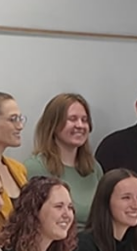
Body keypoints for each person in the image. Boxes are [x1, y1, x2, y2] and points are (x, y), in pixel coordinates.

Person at [24, 93, 103, 228]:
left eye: (84, 120)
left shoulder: (94, 169)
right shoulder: (35, 168)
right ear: (53, 125)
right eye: (72, 119)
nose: (80, 125)